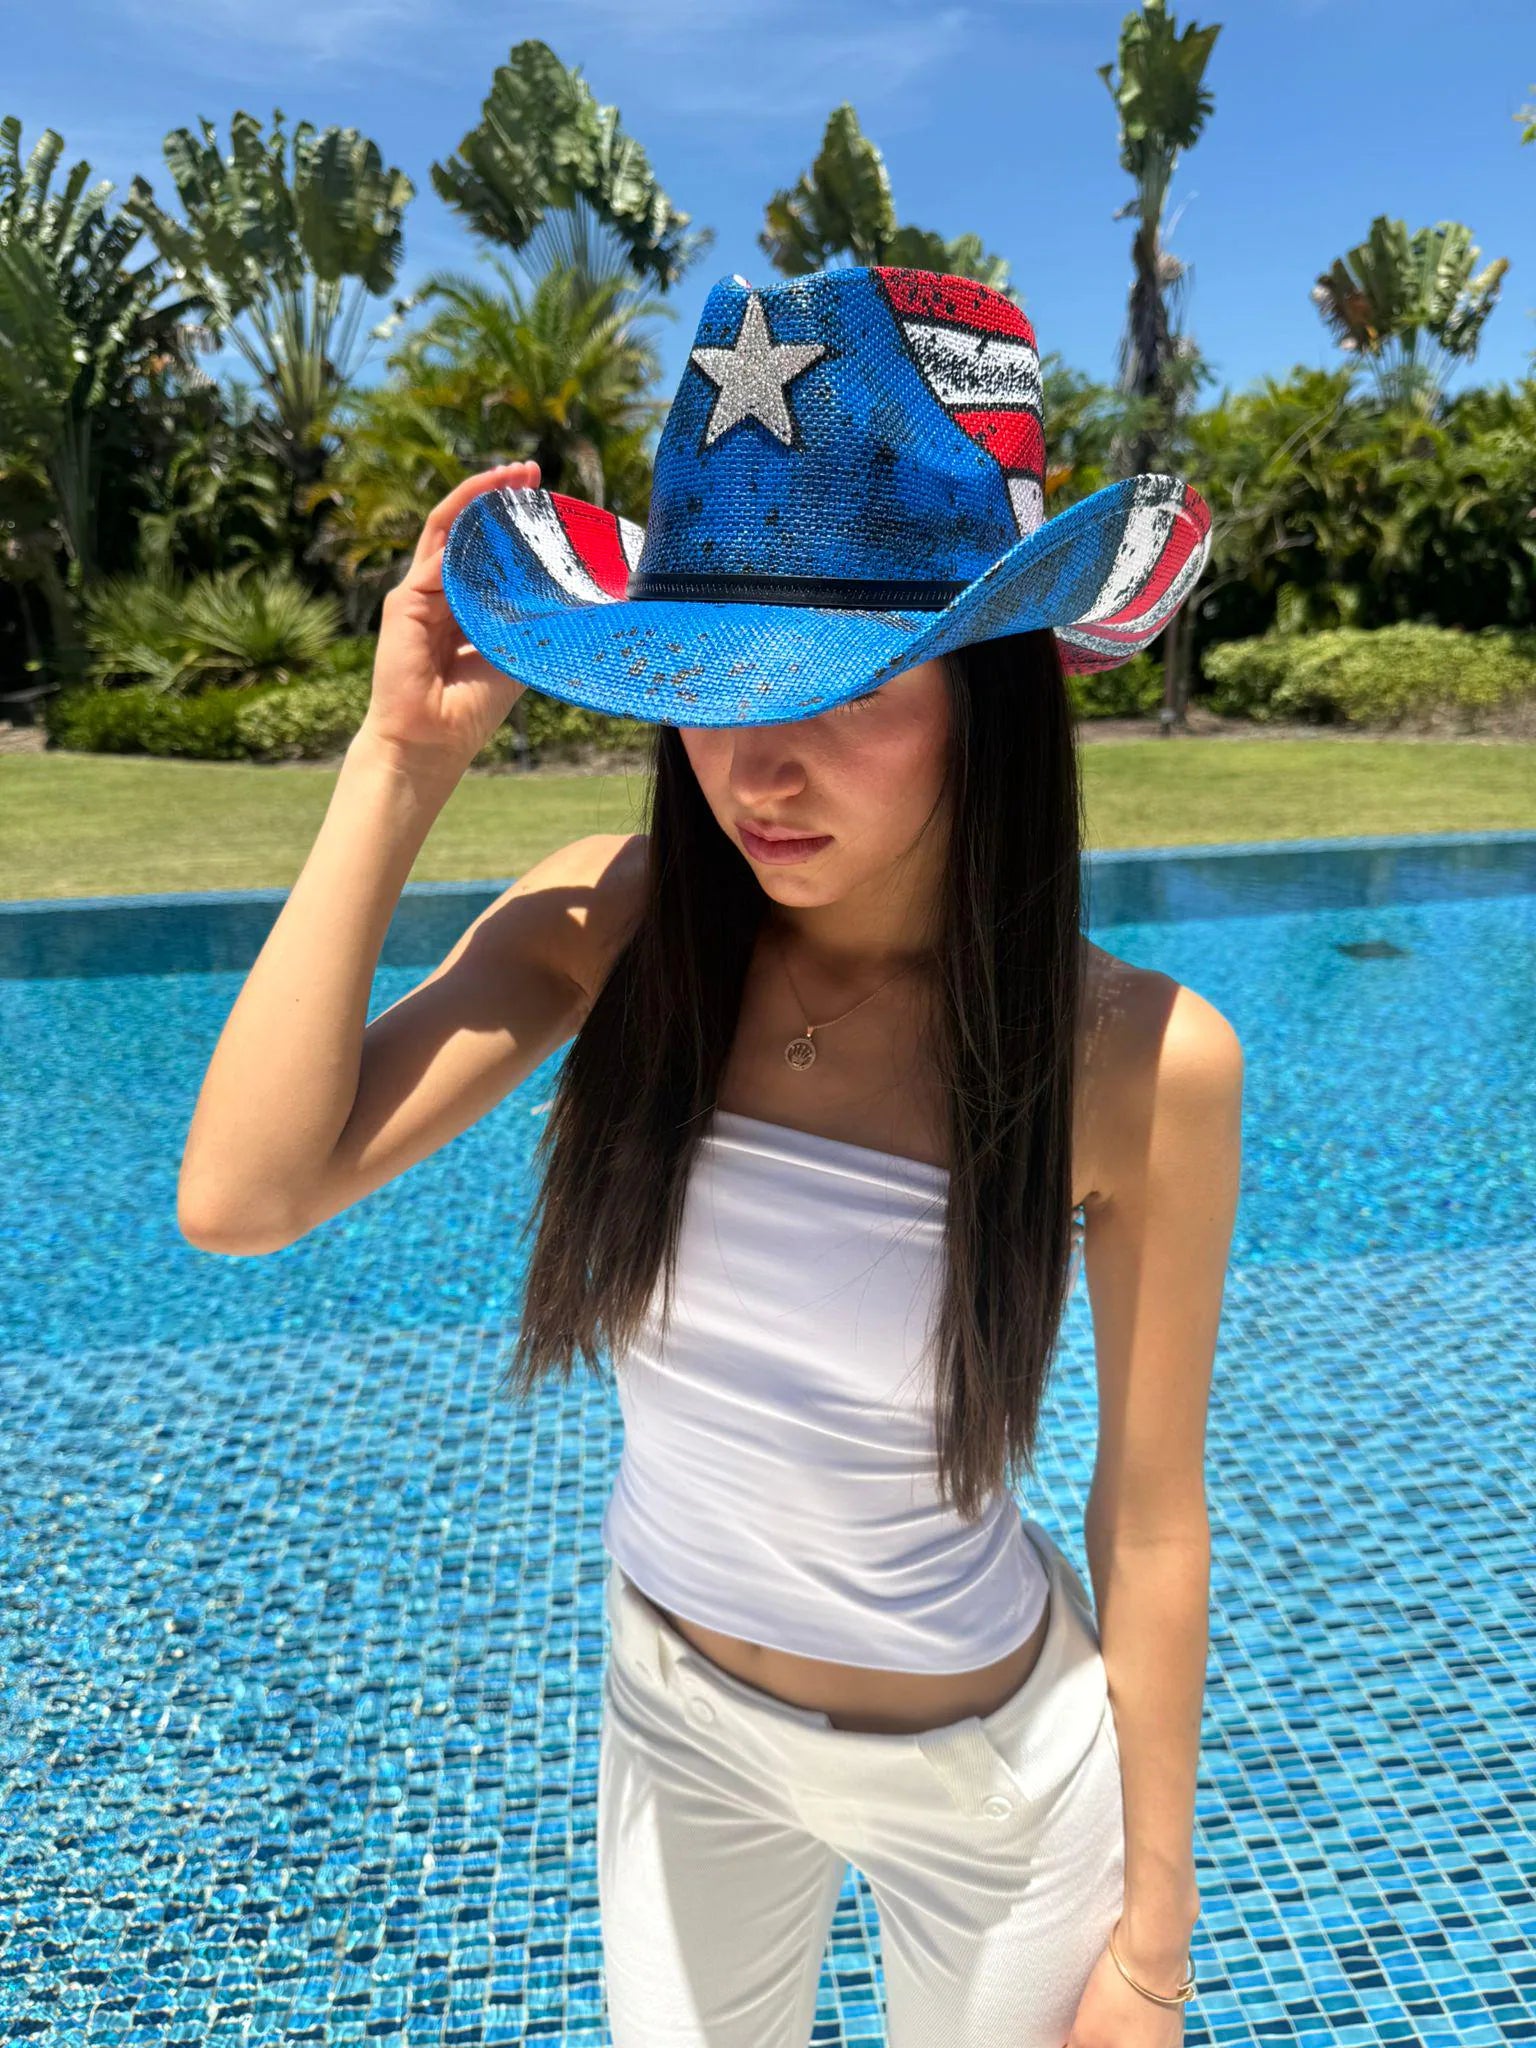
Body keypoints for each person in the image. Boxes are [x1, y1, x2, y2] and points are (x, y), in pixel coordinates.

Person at [179, 266, 1243, 2048]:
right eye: (712, 681)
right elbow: (245, 1195)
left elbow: (1149, 1518)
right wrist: (395, 763)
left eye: (857, 684)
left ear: (992, 689)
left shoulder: (1133, 1059)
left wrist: (1154, 1945)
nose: (763, 765)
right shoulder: (618, 926)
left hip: (984, 1779)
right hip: (673, 1723)